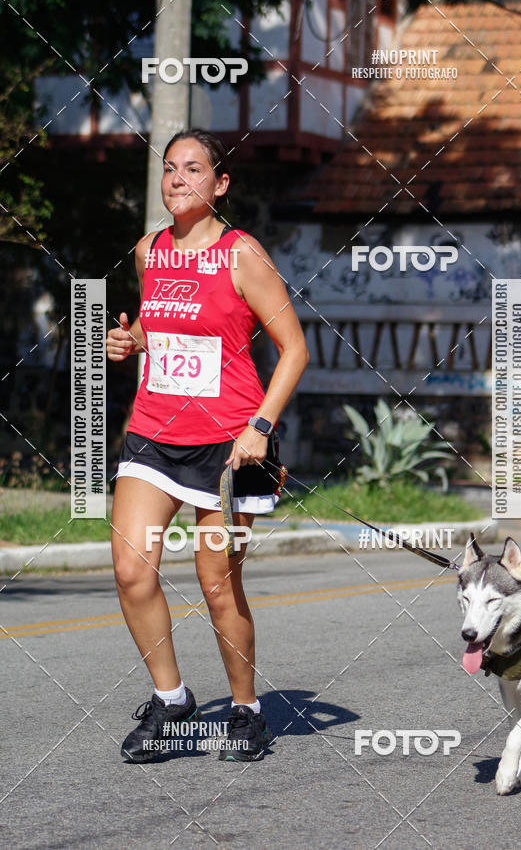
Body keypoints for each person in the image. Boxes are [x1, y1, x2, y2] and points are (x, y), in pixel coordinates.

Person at [105, 129, 309, 763]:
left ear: (220, 184)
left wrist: (262, 428)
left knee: (217, 582)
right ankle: (172, 700)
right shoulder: (148, 251)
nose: (177, 180)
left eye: (193, 169)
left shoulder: (241, 254)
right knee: (131, 569)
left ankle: (246, 708)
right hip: (154, 434)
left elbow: (295, 349)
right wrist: (132, 342)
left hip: (230, 446)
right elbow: (159, 320)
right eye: (169, 169)